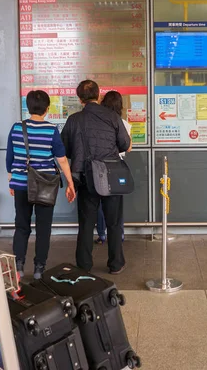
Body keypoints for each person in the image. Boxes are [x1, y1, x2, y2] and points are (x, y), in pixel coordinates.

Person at [61, 80, 131, 275]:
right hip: (111, 175)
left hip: (85, 177)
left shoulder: (74, 120)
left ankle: (84, 265)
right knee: (114, 222)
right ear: (99, 95)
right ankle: (115, 263)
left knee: (86, 223)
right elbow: (125, 144)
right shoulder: (112, 117)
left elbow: (64, 149)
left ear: (79, 98)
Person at [6, 90, 75, 280]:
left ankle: (19, 266)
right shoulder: (51, 130)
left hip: (21, 184)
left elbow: (10, 158)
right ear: (47, 108)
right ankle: (39, 269)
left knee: (21, 226)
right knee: (43, 228)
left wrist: (12, 180)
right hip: (45, 184)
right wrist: (70, 183)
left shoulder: (16, 128)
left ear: (28, 108)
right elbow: (61, 160)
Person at [95, 91, 132, 245]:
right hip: (117, 167)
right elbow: (128, 148)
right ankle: (119, 235)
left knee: (99, 201)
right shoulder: (124, 123)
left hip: (100, 166)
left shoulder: (98, 121)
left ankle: (102, 234)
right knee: (116, 204)